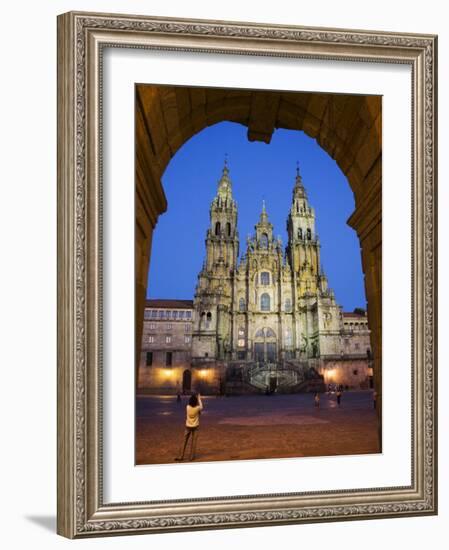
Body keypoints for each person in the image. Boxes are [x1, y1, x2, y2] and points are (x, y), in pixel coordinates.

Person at [175, 392, 203, 462]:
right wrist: (199, 398)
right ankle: (191, 457)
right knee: (193, 442)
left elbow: (191, 404)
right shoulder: (197, 408)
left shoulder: (187, 407)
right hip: (195, 427)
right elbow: (201, 407)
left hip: (188, 426)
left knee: (184, 441)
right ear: (196, 402)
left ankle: (181, 456)